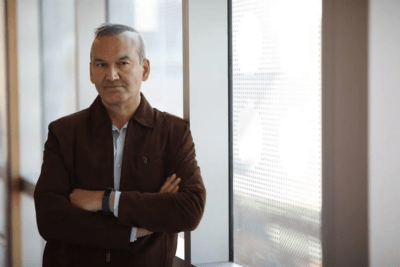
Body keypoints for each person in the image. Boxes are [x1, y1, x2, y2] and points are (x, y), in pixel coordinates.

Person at [34, 23, 206, 267]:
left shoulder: (173, 133)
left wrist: (106, 200)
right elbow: (50, 219)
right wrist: (138, 228)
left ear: (144, 69)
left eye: (123, 63)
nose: (111, 75)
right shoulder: (63, 133)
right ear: (91, 72)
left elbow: (190, 209)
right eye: (101, 64)